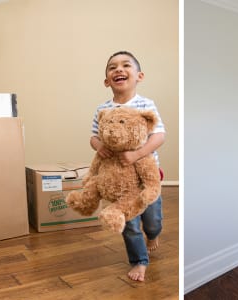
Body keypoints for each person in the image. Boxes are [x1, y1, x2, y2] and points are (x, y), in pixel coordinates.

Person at [90, 50, 165, 282]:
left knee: (152, 221)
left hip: (145, 178)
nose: (119, 70)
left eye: (125, 66)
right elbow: (93, 136)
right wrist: (98, 146)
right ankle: (139, 261)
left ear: (139, 76)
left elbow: (159, 135)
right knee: (130, 224)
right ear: (106, 81)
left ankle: (152, 236)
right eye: (112, 67)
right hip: (120, 180)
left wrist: (138, 154)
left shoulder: (145, 104)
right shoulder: (102, 110)